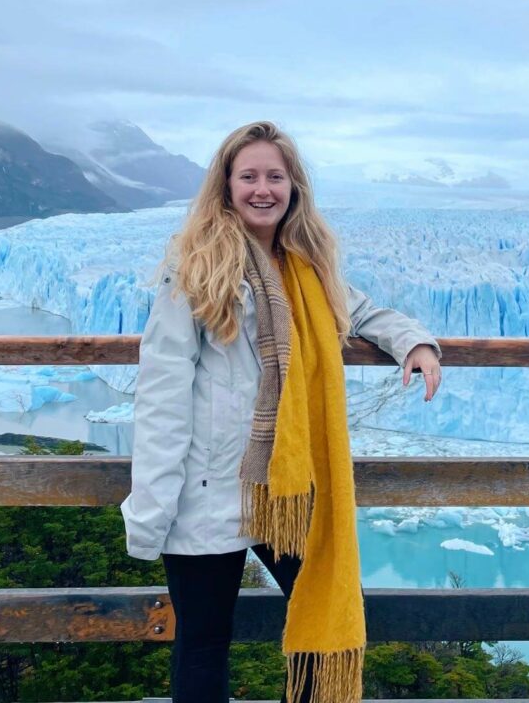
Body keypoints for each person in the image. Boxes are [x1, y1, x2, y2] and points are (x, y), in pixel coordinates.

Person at [120, 121, 442, 703]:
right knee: (203, 643)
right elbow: (163, 394)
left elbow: (363, 312)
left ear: (294, 186)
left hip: (286, 488)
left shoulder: (306, 267)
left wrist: (414, 342)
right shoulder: (194, 269)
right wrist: (152, 509)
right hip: (206, 488)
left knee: (324, 611)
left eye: (275, 176)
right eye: (249, 176)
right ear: (226, 185)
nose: (262, 189)